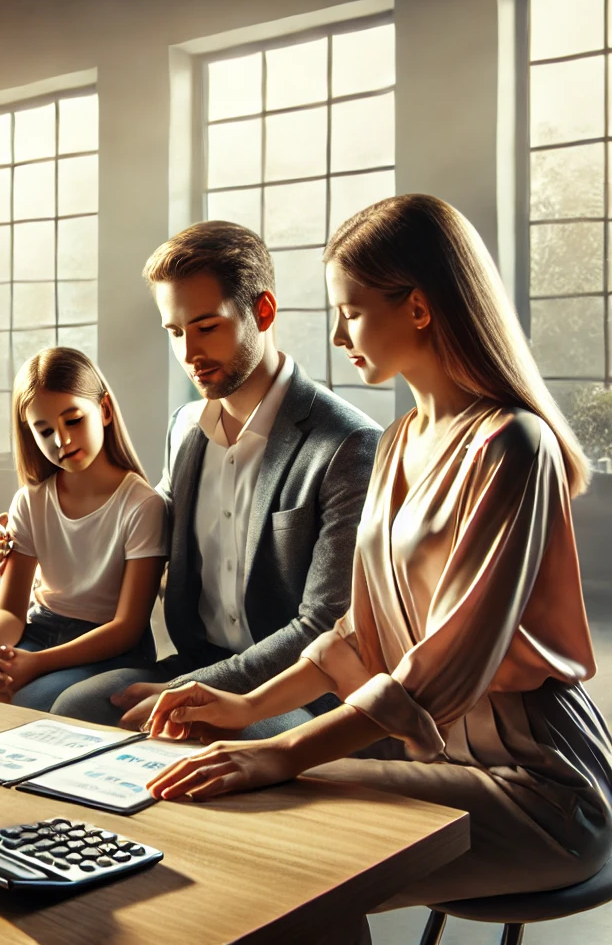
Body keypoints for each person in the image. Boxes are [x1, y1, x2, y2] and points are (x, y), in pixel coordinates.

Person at [144, 194, 612, 915]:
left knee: (275, 835)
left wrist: (284, 751)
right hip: (430, 750)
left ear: (419, 307)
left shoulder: (515, 446)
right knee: (212, 797)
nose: (336, 335)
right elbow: (359, 633)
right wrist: (245, 709)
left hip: (536, 781)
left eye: (352, 311)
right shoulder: (397, 444)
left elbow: (441, 668)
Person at [0, 221, 381, 736]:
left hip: (292, 689)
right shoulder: (185, 429)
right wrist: (41, 537)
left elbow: (322, 626)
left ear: (262, 312)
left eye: (206, 326)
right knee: (73, 712)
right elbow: (144, 527)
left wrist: (194, 689)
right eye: (175, 332)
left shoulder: (348, 444)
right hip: (192, 662)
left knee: (177, 736)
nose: (189, 352)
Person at [0, 347, 166, 711]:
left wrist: (35, 664)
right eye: (44, 430)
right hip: (38, 632)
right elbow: (10, 609)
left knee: (30, 702)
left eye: (73, 420)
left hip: (110, 647)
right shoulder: (30, 500)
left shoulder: (142, 505)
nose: (61, 441)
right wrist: (1, 662)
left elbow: (127, 627)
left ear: (103, 411)